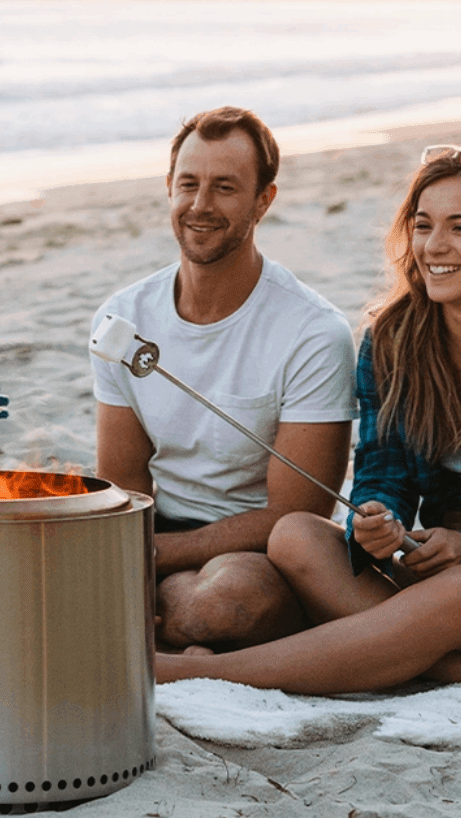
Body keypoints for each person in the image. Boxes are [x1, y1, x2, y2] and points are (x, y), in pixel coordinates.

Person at [157, 144, 461, 694]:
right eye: (423, 225)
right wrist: (379, 519)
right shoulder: (393, 340)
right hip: (438, 566)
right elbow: (384, 470)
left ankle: (195, 672)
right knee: (296, 537)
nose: (435, 247)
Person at [91, 106, 356, 652]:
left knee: (223, 603)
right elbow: (124, 482)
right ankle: (165, 622)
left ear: (264, 200)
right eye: (188, 184)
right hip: (158, 532)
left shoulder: (313, 331)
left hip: (262, 550)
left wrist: (157, 558)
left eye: (225, 187)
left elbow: (297, 513)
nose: (200, 205)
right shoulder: (122, 318)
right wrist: (131, 559)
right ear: (168, 188)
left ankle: (167, 627)